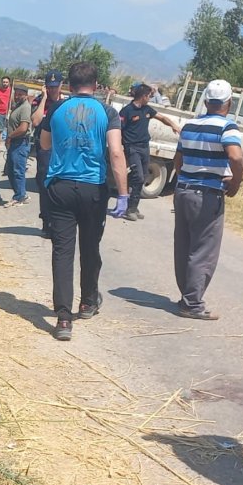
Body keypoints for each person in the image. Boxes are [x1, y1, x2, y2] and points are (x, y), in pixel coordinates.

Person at [39, 62, 128, 342]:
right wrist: (123, 194)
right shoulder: (107, 112)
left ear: (68, 85)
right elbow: (115, 153)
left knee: (62, 252)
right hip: (93, 188)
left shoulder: (56, 109)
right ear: (97, 84)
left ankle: (63, 319)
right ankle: (88, 302)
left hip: (61, 186)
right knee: (90, 247)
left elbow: (43, 144)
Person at [172, 79, 243, 321]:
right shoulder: (228, 127)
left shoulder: (189, 125)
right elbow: (235, 156)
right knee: (203, 250)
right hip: (207, 194)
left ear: (205, 101)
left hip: (183, 190)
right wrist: (235, 182)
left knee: (183, 246)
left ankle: (186, 296)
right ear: (229, 102)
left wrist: (185, 177)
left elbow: (177, 160)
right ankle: (192, 303)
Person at [119, 83, 180, 220]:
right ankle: (129, 210)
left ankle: (133, 206)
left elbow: (162, 118)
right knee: (138, 176)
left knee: (143, 176)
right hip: (132, 147)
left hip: (144, 147)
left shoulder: (147, 110)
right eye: (149, 96)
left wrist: (173, 125)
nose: (150, 98)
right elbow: (119, 129)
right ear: (143, 96)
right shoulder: (126, 111)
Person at [33, 70, 65, 237]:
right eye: (49, 87)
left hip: (61, 148)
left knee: (59, 185)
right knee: (45, 183)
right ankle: (46, 221)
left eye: (55, 87)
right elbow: (36, 121)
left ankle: (58, 222)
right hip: (44, 149)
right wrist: (44, 98)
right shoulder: (39, 102)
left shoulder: (66, 103)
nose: (53, 90)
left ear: (61, 86)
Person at [5, 85, 33, 206]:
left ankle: (19, 197)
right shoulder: (18, 106)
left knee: (18, 171)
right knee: (11, 171)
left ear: (25, 95)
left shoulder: (25, 107)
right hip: (15, 143)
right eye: (16, 94)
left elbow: (23, 128)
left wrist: (10, 136)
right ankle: (20, 194)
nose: (17, 96)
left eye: (20, 94)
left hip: (20, 142)